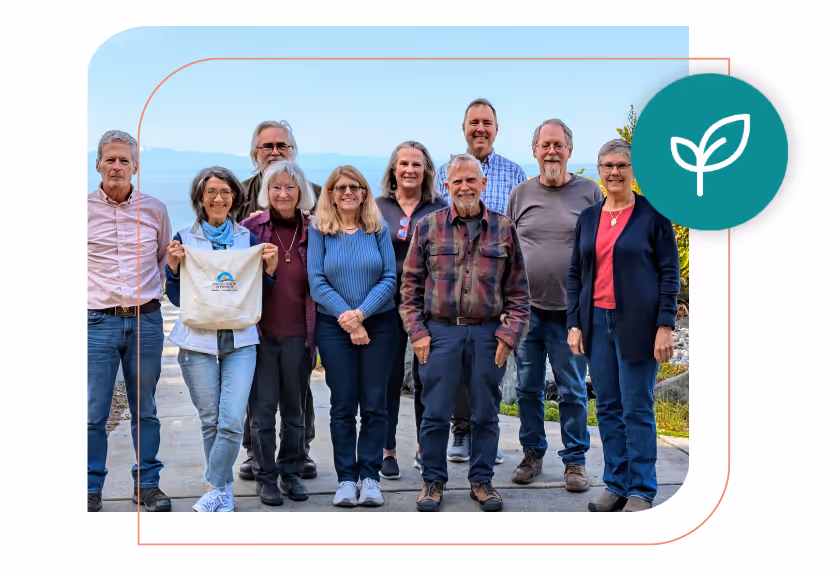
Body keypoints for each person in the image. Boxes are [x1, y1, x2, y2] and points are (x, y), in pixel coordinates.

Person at [402, 154, 530, 512]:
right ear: (447, 186)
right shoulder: (428, 227)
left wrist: (509, 336)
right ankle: (432, 482)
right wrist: (418, 333)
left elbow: (519, 292)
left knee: (486, 413)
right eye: (456, 181)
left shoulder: (504, 229)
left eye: (471, 180)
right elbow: (409, 287)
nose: (464, 187)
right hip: (440, 334)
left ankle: (482, 481)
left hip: (488, 334)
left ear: (483, 184)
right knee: (435, 413)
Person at [566, 139, 680, 512]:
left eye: (621, 166)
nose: (614, 172)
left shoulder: (653, 214)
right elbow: (575, 274)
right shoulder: (588, 217)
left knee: (636, 407)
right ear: (598, 171)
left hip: (638, 324)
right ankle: (615, 484)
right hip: (596, 323)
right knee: (609, 408)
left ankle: (642, 490)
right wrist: (575, 324)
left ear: (634, 171)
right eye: (607, 166)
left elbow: (668, 273)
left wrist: (665, 326)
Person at [165, 166, 279, 512]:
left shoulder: (248, 240)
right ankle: (223, 491)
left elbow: (257, 293)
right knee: (210, 420)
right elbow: (176, 298)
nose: (218, 198)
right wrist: (173, 270)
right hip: (197, 340)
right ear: (200, 197)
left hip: (241, 339)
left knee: (230, 420)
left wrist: (269, 272)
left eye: (225, 192)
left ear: (234, 198)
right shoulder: (184, 239)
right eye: (211, 191)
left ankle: (214, 485)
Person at [507, 119, 604, 492]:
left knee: (572, 390)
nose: (551, 151)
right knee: (527, 390)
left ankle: (575, 461)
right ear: (534, 151)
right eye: (545, 145)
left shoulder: (590, 193)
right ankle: (532, 454)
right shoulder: (520, 195)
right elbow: (508, 251)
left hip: (573, 315)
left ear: (569, 151)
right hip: (527, 313)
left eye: (558, 145)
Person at [434, 98, 526, 464]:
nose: (480, 129)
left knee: (490, 370)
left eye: (487, 122)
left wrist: (511, 300)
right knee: (457, 371)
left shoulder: (514, 173)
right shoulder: (446, 170)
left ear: (496, 129)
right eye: (474, 122)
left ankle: (487, 434)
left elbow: (518, 235)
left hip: (496, 286)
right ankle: (460, 430)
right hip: (453, 287)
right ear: (464, 128)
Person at [87, 130, 172, 512]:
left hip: (146, 322)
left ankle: (148, 485)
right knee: (94, 412)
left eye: (124, 160)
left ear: (136, 166)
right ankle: (90, 487)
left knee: (145, 409)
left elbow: (161, 261)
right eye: (110, 159)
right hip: (97, 323)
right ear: (98, 165)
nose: (117, 166)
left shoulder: (155, 209)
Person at [308, 165, 398, 507]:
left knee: (375, 404)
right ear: (330, 193)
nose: (347, 192)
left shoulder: (377, 229)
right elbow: (316, 281)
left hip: (379, 323)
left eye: (354, 187)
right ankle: (347, 479)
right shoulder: (320, 231)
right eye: (340, 187)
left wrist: (361, 315)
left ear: (364, 193)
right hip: (333, 326)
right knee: (343, 404)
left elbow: (390, 278)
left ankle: (370, 478)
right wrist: (348, 319)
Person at [237, 120, 320, 481]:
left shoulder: (315, 192)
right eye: (266, 146)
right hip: (258, 320)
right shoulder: (236, 193)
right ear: (255, 153)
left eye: (281, 145)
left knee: (297, 394)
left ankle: (298, 453)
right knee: (259, 395)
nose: (274, 152)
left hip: (302, 320)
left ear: (293, 149)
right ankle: (257, 455)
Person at [375, 141, 448, 480]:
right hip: (386, 304)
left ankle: (424, 447)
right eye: (403, 163)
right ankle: (387, 449)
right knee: (388, 378)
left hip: (427, 306)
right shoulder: (376, 207)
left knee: (426, 378)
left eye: (416, 164)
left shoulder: (439, 207)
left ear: (426, 171)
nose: (409, 170)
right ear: (393, 169)